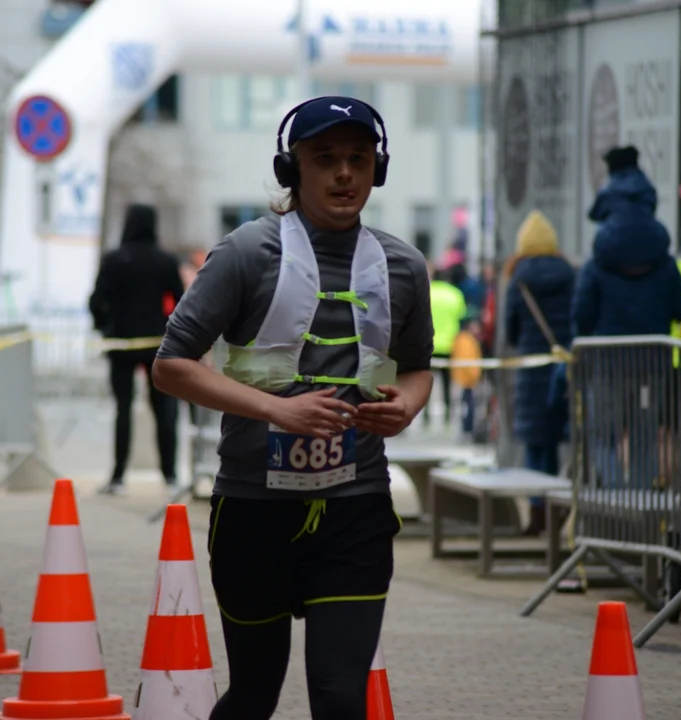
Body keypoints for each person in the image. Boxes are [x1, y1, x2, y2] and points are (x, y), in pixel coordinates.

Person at [151, 95, 434, 720]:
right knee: (255, 694)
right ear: (292, 169)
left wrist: (407, 404)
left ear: (376, 171)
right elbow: (170, 366)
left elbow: (418, 368)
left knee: (339, 698)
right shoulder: (247, 253)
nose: (343, 174)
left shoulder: (403, 266)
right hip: (254, 508)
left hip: (355, 507)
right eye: (325, 158)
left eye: (358, 160)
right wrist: (278, 411)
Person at [573, 146, 681, 488]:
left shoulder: (598, 259)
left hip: (607, 363)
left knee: (605, 437)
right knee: (643, 439)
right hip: (652, 365)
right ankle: (640, 515)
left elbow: (582, 312)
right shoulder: (663, 257)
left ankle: (614, 508)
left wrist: (585, 339)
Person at [89, 203, 184, 497]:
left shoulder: (114, 259)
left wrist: (104, 326)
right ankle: (170, 476)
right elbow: (182, 302)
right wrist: (168, 328)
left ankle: (118, 476)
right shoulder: (165, 261)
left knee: (123, 409)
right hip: (157, 344)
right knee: (164, 411)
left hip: (120, 343)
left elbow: (95, 301)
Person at [503, 210, 575, 533]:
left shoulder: (518, 276)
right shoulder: (570, 273)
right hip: (563, 368)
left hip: (532, 371)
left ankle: (537, 511)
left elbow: (511, 329)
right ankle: (558, 506)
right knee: (557, 441)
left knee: (535, 444)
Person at [426, 264, 466, 427]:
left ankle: (426, 414)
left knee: (426, 382)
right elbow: (461, 316)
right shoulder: (455, 294)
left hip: (428, 345)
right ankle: (448, 415)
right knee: (448, 384)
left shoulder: (427, 292)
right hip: (450, 345)